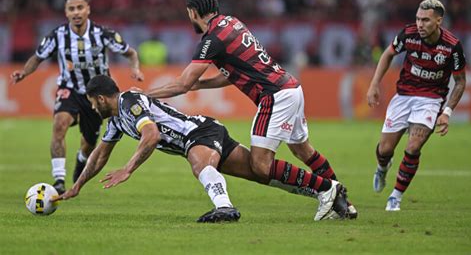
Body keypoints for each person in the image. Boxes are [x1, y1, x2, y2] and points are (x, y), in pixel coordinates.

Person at [144, 0, 356, 219]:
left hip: (274, 96)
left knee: (260, 165)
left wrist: (146, 95)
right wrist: (202, 85)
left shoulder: (212, 40)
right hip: (291, 88)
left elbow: (183, 84)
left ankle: (327, 190)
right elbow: (232, 74)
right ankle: (344, 203)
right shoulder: (232, 23)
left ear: (192, 12)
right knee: (304, 150)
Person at [53, 75, 349, 222]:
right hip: (203, 132)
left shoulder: (129, 101)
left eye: (92, 103)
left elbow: (152, 135)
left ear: (101, 98)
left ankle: (224, 208)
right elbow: (100, 154)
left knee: (200, 165)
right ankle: (327, 189)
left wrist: (128, 169)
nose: (92, 108)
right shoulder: (117, 121)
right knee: (260, 172)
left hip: (199, 132)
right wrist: (78, 185)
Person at [10, 0, 144, 194]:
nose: (76, 12)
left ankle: (81, 160)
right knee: (59, 124)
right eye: (71, 9)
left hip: (97, 97)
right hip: (69, 89)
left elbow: (131, 53)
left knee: (89, 145)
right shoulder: (58, 35)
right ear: (66, 12)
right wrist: (23, 73)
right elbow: (37, 57)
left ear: (88, 9)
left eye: (80, 7)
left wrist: (135, 69)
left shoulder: (103, 34)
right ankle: (59, 180)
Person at [367, 0, 466, 211]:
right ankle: (383, 167)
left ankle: (395, 196)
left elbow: (460, 82)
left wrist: (447, 112)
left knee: (413, 147)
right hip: (403, 96)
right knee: (385, 149)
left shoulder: (452, 46)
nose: (420, 24)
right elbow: (388, 54)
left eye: (426, 20)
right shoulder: (408, 34)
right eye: (418, 19)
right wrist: (374, 84)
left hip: (431, 99)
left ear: (439, 21)